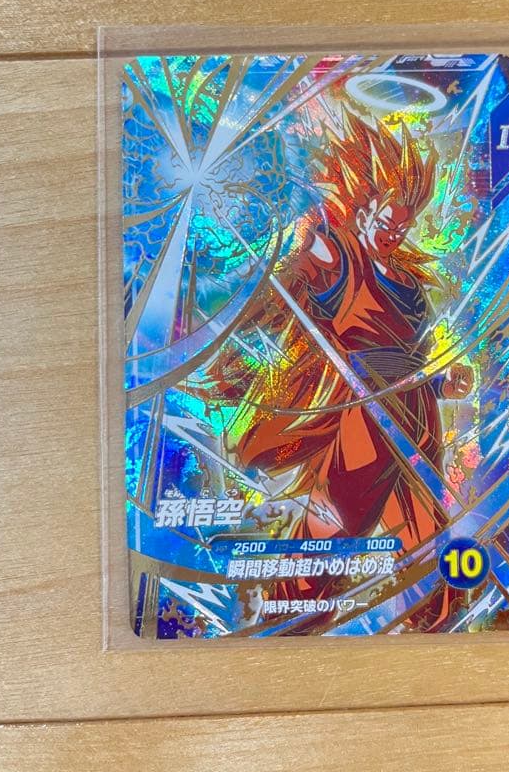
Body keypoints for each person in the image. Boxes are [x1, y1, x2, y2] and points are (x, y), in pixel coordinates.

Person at [196, 109, 474, 628]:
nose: (395, 233)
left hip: (416, 412)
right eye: (388, 220)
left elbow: (405, 358)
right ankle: (285, 621)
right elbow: (281, 280)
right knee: (338, 525)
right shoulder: (336, 252)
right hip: (364, 415)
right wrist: (297, 244)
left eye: (404, 225)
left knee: (428, 533)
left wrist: (442, 382)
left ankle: (440, 630)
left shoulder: (408, 279)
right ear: (366, 205)